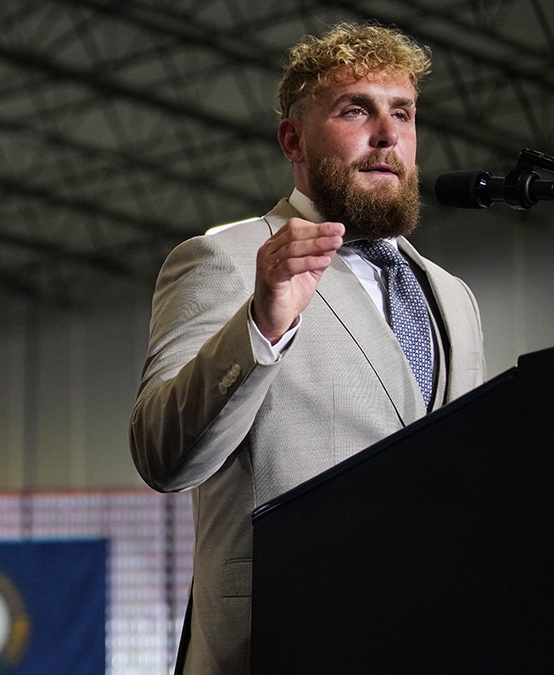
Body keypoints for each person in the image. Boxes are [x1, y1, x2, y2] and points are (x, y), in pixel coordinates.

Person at [129, 22, 486, 674]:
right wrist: (262, 323)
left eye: (401, 113)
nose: (386, 135)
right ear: (293, 139)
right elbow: (161, 454)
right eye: (357, 109)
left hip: (432, 641)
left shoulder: (453, 296)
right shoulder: (226, 259)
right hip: (276, 644)